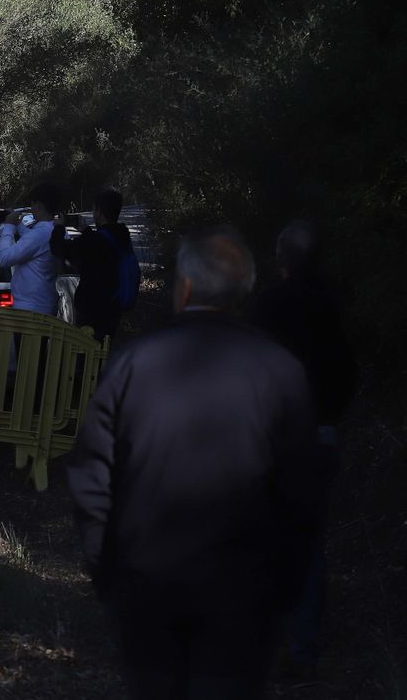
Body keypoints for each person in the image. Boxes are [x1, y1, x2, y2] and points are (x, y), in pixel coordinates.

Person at [68, 226, 321, 699]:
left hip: (147, 580)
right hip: (244, 590)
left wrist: (106, 568)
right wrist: (285, 585)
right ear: (245, 292)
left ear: (183, 289)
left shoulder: (134, 363)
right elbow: (302, 493)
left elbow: (91, 473)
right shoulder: (281, 372)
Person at [250, 220, 355, 679]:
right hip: (320, 434)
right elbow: (347, 373)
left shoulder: (267, 307)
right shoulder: (334, 306)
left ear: (282, 259)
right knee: (310, 547)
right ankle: (303, 647)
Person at [49, 189, 133, 342]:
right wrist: (86, 231)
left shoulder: (95, 241)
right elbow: (102, 250)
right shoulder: (122, 236)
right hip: (113, 307)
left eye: (94, 209)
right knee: (104, 350)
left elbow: (58, 248)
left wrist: (59, 227)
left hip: (93, 311)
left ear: (99, 212)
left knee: (86, 356)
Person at [0, 183, 62, 316]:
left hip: (29, 309)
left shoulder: (39, 234)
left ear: (38, 205)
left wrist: (9, 227)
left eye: (32, 204)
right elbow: (35, 244)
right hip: (43, 304)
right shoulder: (56, 231)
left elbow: (4, 259)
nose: (31, 209)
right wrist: (18, 225)